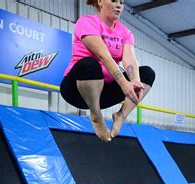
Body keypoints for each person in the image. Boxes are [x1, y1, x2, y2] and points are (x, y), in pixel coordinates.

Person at [60, 0, 155, 142]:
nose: (119, 5)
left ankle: (121, 116)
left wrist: (134, 81)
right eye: (114, 1)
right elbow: (103, 55)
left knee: (147, 73)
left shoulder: (125, 32)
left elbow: (129, 59)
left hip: (104, 92)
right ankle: (96, 116)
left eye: (122, 2)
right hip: (76, 90)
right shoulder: (87, 22)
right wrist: (124, 83)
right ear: (100, 2)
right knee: (90, 64)